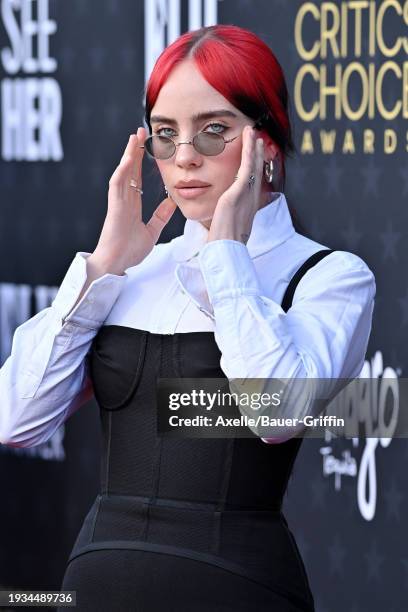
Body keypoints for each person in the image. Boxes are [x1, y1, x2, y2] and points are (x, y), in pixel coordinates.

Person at [0, 24, 375, 611]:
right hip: (94, 585)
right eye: (165, 135)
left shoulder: (331, 277)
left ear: (268, 142)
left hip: (236, 587)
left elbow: (275, 413)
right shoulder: (132, 270)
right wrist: (102, 267)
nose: (183, 159)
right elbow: (16, 420)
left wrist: (226, 257)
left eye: (213, 131)